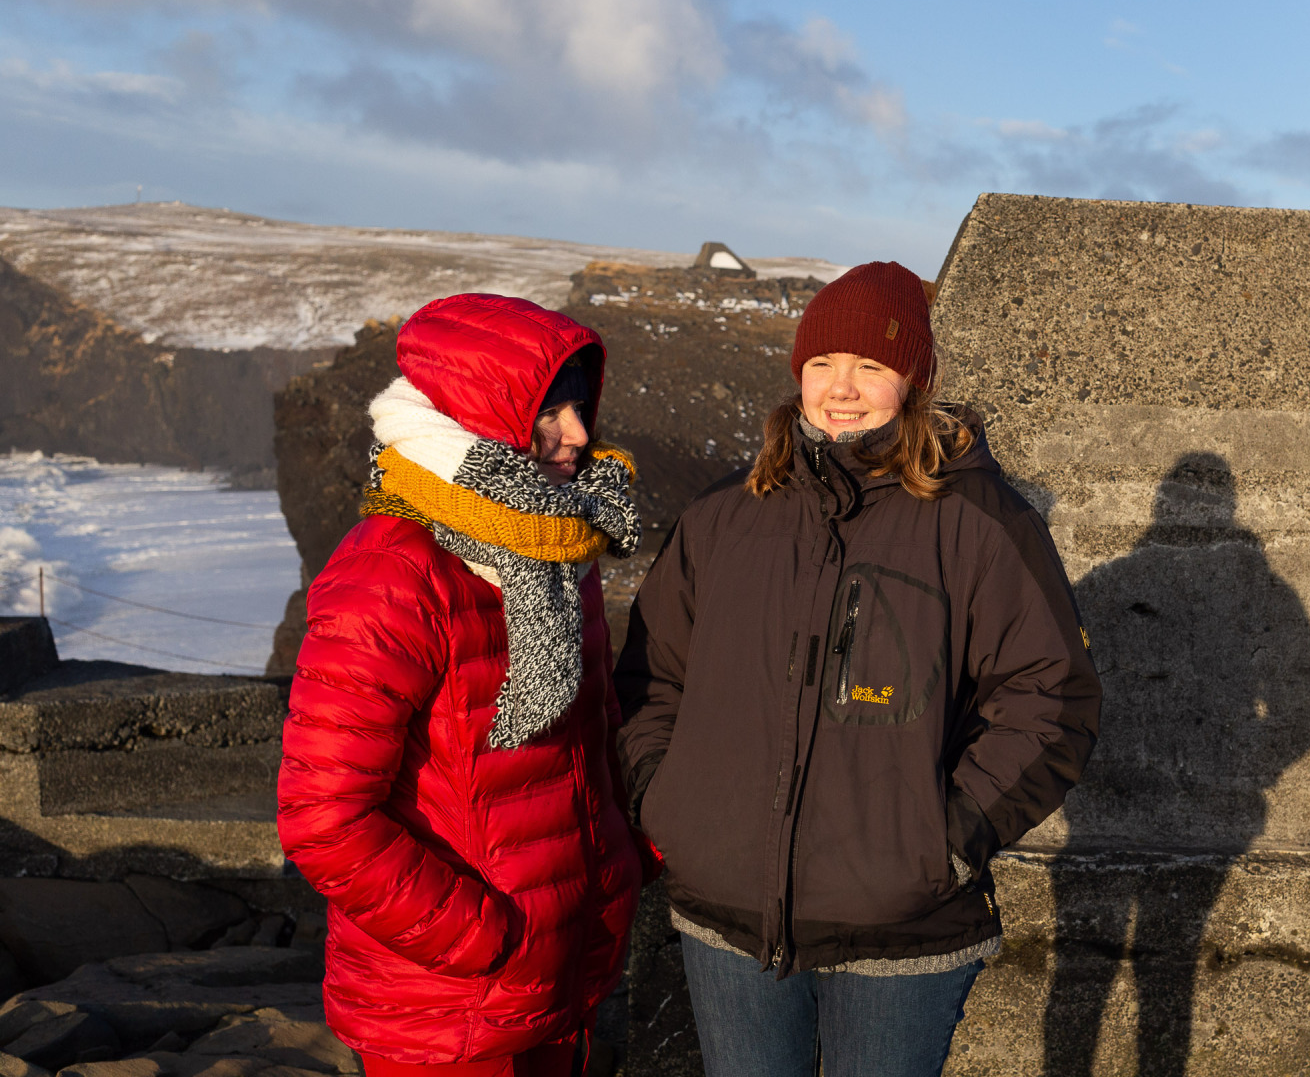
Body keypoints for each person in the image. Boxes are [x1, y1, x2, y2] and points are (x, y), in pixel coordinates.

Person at [613, 261, 1103, 1077]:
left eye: (871, 366)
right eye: (822, 366)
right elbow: (652, 679)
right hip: (725, 915)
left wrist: (939, 842)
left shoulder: (979, 522)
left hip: (899, 929)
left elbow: (1050, 701)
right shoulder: (724, 515)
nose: (842, 388)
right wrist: (669, 805)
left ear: (913, 380)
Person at [278, 293, 659, 1077]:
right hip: (451, 1006)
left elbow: (589, 737)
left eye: (581, 409)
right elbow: (323, 819)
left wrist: (622, 858)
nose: (579, 437)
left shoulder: (552, 546)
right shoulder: (393, 571)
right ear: (477, 415)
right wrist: (485, 939)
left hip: (562, 976)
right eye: (549, 413)